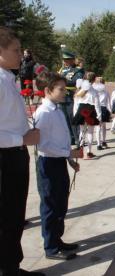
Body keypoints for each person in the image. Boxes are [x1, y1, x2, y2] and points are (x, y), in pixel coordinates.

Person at [0, 26, 44, 276]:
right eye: (15, 50)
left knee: (15, 214)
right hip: (5, 157)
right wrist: (22, 137)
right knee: (5, 217)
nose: (21, 55)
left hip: (15, 153)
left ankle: (11, 266)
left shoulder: (8, 77)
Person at [34, 71, 82, 261]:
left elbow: (60, 141)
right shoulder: (44, 113)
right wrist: (69, 154)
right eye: (61, 89)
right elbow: (43, 146)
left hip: (59, 161)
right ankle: (51, 247)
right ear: (47, 90)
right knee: (51, 206)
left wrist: (69, 160)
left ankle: (57, 239)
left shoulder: (56, 109)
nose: (65, 93)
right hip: (48, 164)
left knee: (61, 203)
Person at [72, 72, 101, 159]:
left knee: (81, 131)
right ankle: (88, 152)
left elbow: (76, 103)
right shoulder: (94, 91)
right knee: (90, 132)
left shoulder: (80, 91)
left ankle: (80, 151)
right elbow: (97, 105)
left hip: (81, 110)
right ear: (93, 80)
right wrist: (99, 116)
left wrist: (75, 113)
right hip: (91, 110)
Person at [59, 49, 84, 145]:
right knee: (65, 119)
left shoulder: (78, 70)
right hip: (62, 97)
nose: (65, 61)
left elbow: (77, 81)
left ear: (72, 60)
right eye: (64, 59)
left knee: (72, 118)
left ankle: (78, 138)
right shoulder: (62, 70)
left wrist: (63, 81)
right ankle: (71, 138)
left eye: (67, 59)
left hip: (71, 97)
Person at [93, 77, 111, 150]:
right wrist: (110, 111)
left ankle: (98, 144)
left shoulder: (94, 91)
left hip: (95, 108)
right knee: (103, 126)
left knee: (98, 127)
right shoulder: (106, 91)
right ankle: (103, 141)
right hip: (103, 108)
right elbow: (108, 103)